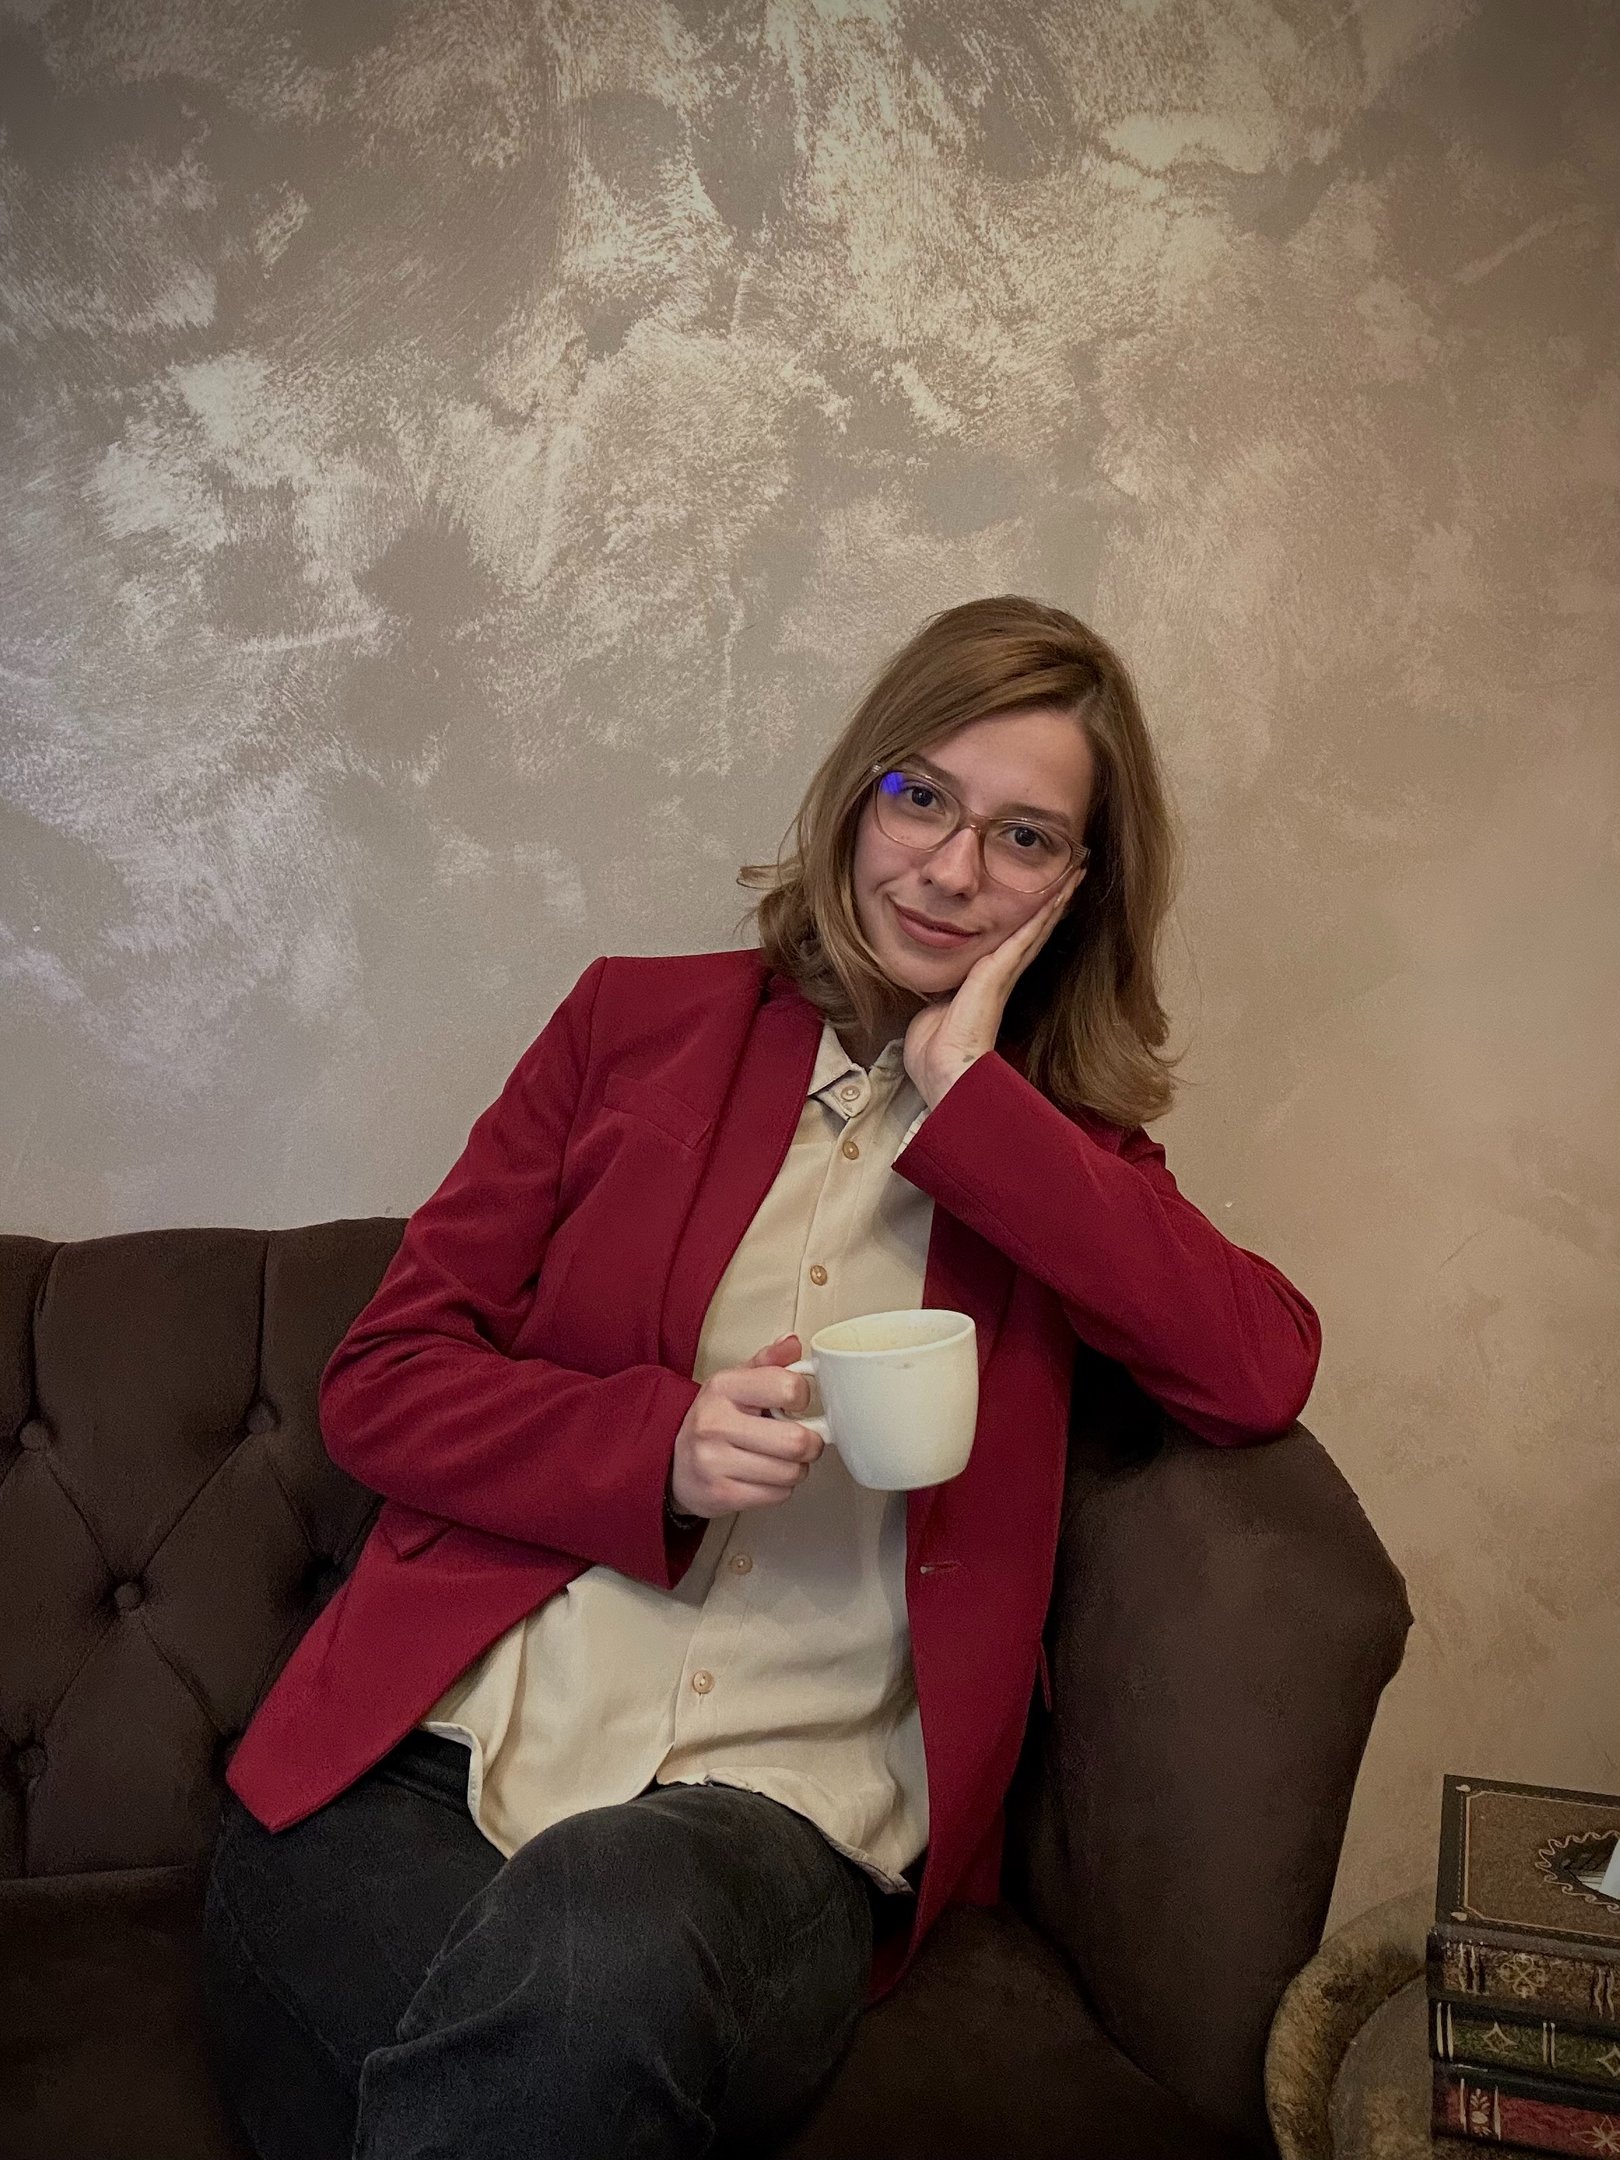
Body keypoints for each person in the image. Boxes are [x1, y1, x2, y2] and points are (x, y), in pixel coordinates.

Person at [202, 593, 1322, 2159]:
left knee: (599, 1942)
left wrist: (969, 1093)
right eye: (921, 797)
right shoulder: (631, 1024)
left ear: (1080, 888)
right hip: (422, 1760)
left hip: (774, 1818)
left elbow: (1259, 1369)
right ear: (857, 793)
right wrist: (652, 1449)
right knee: (547, 2065)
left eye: (1023, 838)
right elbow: (381, 1380)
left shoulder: (1065, 1162)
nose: (950, 869)